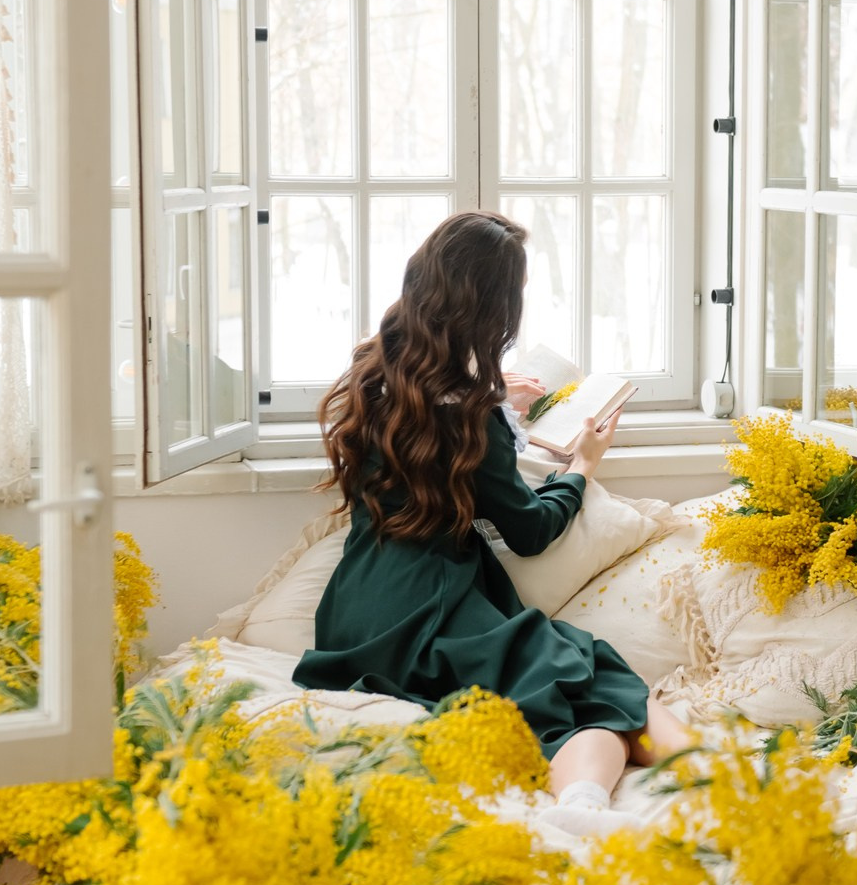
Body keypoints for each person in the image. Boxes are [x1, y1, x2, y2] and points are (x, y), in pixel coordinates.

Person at [293, 210, 690, 829]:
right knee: (598, 677)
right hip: (437, 611)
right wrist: (580, 467)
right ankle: (677, 786)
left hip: (354, 616)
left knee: (574, 676)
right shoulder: (472, 417)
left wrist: (496, 397)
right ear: (494, 311)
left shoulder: (374, 375)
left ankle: (643, 789)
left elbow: (434, 425)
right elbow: (530, 532)